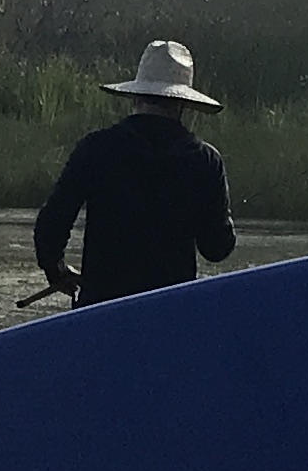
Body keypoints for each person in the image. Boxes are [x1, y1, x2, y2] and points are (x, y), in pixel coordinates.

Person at [33, 40, 236, 306]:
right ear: (183, 103)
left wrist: (57, 271)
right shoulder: (206, 161)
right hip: (170, 311)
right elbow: (216, 249)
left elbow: (51, 225)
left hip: (102, 309)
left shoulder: (96, 148)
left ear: (135, 96)